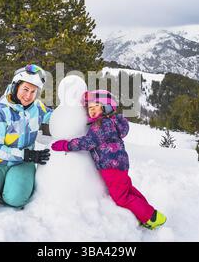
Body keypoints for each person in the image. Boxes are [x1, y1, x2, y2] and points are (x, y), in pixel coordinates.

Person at [51, 90, 167, 229]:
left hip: (110, 166)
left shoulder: (101, 125)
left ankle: (151, 217)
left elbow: (87, 142)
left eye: (96, 106)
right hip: (119, 163)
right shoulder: (111, 122)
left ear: (106, 107)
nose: (92, 111)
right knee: (128, 190)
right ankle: (149, 213)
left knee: (121, 197)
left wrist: (66, 145)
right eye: (90, 108)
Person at [0, 64, 52, 214]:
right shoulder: (0, 111)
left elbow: (58, 118)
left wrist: (88, 113)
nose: (28, 96)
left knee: (16, 199)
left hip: (22, 164)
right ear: (15, 87)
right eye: (25, 89)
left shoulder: (38, 107)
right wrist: (28, 155)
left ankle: (8, 187)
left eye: (33, 91)